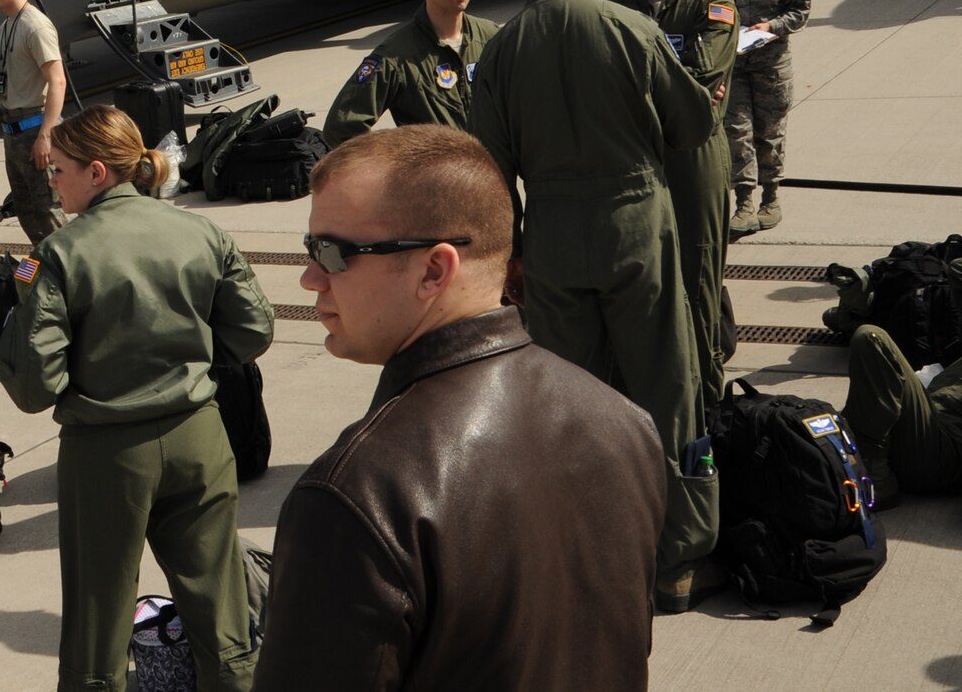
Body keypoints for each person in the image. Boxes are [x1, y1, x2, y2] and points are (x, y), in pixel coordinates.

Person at [255, 127, 666, 691]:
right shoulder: (624, 421)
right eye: (310, 249)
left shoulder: (357, 494)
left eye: (332, 251)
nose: (309, 277)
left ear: (433, 271)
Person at [469, 0, 720, 611]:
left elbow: (490, 170)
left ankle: (584, 555)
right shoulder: (632, 26)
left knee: (565, 403)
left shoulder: (503, 50)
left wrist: (511, 255)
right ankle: (674, 560)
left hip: (551, 238)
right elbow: (695, 120)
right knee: (665, 388)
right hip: (637, 225)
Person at [0, 106, 272, 692]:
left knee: (100, 611)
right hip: (200, 434)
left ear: (97, 172)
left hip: (109, 452)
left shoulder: (55, 254)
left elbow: (37, 385)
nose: (53, 180)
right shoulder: (200, 229)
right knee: (220, 602)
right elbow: (253, 333)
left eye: (61, 169)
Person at [602, 0, 740, 415]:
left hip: (692, 159)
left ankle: (706, 401)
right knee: (640, 279)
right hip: (635, 158)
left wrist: (629, 88)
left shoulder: (712, 2)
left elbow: (701, 86)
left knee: (699, 277)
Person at [321, 0, 497, 147]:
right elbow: (341, 129)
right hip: (437, 180)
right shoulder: (396, 56)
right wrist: (400, 167)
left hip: (494, 178)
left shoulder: (492, 38)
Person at [706, 0, 811, 234]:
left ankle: (771, 197)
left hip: (771, 64)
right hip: (733, 63)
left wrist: (772, 27)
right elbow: (704, 3)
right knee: (737, 133)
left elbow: (801, 9)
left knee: (770, 134)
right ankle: (744, 203)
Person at [0, 0, 67, 244]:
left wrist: (46, 136)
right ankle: (47, 270)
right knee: (27, 212)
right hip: (12, 132)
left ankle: (72, 275)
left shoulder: (35, 26)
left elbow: (58, 81)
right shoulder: (6, 27)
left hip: (34, 130)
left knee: (50, 213)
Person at [842, 325, 962, 508]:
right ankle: (859, 459)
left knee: (872, 338)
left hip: (938, 449)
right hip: (925, 421)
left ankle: (876, 477)